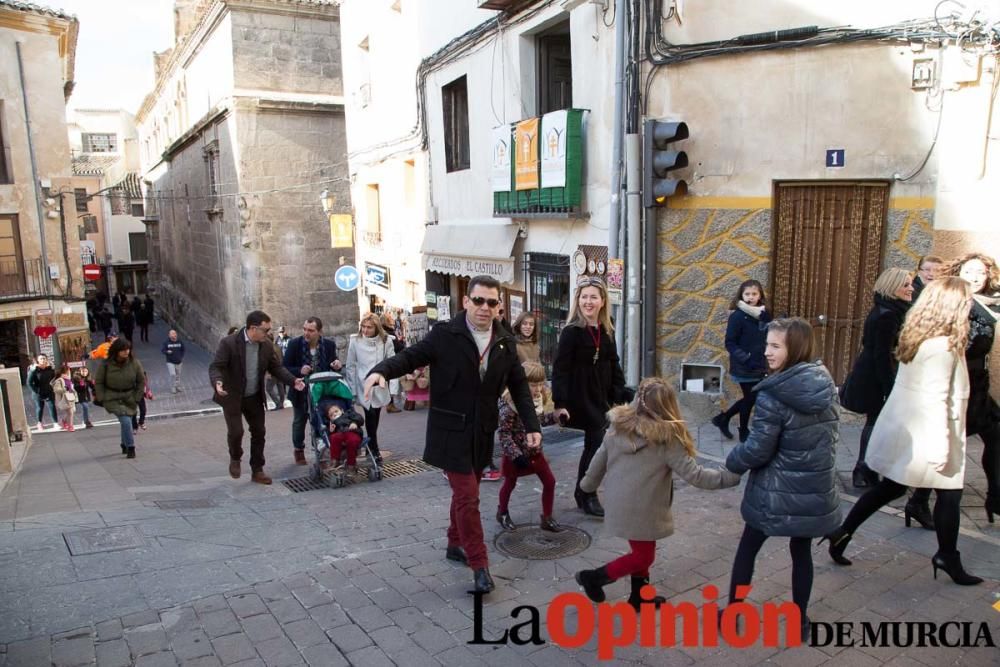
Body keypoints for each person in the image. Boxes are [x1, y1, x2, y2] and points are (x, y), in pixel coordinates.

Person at [363, 275, 540, 595]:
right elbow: (410, 357)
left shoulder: (504, 342)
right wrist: (381, 371)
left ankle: (453, 543)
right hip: (451, 430)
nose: (485, 307)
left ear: (499, 306)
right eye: (479, 301)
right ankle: (480, 565)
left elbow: (519, 387)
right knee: (469, 496)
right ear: (466, 302)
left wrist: (532, 427)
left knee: (463, 495)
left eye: (492, 302)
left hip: (482, 432)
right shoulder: (446, 334)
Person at [823, 278, 983, 586]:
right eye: (965, 303)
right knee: (947, 494)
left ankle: (842, 532)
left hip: (914, 433)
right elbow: (936, 401)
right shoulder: (942, 347)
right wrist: (941, 448)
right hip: (931, 436)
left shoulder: (922, 336)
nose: (969, 308)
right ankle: (947, 557)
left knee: (893, 488)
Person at [575, 377, 741, 609]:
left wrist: (587, 485)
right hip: (643, 507)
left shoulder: (617, 426)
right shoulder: (666, 439)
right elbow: (697, 475)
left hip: (620, 502)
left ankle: (639, 598)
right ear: (667, 406)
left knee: (643, 549)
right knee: (644, 556)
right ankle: (593, 578)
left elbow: (599, 459)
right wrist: (731, 476)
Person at [725, 318, 841, 637]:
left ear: (795, 349)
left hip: (774, 492)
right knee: (801, 552)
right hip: (813, 489)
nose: (767, 352)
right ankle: (800, 619)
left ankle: (732, 611)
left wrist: (731, 463)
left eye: (775, 346)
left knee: (748, 547)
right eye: (767, 345)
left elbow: (757, 450)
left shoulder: (772, 395)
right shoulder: (825, 385)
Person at [910, 253, 1000, 524]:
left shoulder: (989, 305)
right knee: (947, 447)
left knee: (996, 437)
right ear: (958, 272)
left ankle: (995, 496)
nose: (974, 277)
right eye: (969, 271)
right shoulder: (954, 303)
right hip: (957, 385)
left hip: (978, 386)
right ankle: (918, 501)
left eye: (980, 273)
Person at [552, 277, 629, 517]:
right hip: (581, 396)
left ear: (602, 301)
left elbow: (613, 361)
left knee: (595, 446)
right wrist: (559, 403)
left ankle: (582, 491)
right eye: (584, 297)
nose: (588, 301)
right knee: (597, 446)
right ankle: (587, 493)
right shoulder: (571, 332)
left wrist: (619, 390)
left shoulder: (608, 327)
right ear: (578, 300)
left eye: (593, 297)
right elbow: (560, 369)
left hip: (602, 394)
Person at [839, 268, 914, 490]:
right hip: (875, 377)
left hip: (875, 373)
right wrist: (889, 388)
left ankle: (868, 468)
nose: (911, 288)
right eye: (906, 284)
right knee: (875, 421)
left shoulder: (888, 309)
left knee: (877, 421)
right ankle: (863, 468)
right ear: (893, 287)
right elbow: (881, 355)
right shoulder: (888, 314)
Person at [212, 311, 304, 484]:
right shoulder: (229, 343)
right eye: (266, 329)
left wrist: (293, 381)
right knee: (236, 432)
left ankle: (257, 469)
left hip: (253, 395)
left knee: (259, 432)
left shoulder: (266, 345)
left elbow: (276, 368)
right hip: (232, 395)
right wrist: (218, 383)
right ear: (253, 329)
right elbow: (216, 367)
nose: (269, 333)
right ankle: (235, 457)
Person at [496, 361, 562, 532]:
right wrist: (515, 455)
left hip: (534, 451)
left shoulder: (536, 400)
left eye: (541, 384)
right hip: (516, 456)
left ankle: (547, 517)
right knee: (509, 484)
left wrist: (555, 418)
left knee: (550, 482)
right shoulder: (509, 406)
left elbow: (537, 422)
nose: (538, 389)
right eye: (533, 385)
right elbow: (504, 434)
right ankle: (502, 512)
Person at [711, 279, 772, 443]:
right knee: (751, 398)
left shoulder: (763, 314)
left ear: (760, 295)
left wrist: (771, 321)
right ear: (741, 295)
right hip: (745, 365)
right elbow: (730, 342)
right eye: (747, 294)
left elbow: (768, 335)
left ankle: (723, 419)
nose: (751, 297)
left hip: (760, 365)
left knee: (751, 398)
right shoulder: (737, 316)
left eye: (754, 294)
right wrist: (746, 358)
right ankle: (742, 429)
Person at [283, 317, 342, 465]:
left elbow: (333, 363)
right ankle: (298, 449)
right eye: (304, 329)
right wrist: (299, 370)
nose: (306, 333)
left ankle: (320, 450)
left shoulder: (328, 345)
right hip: (300, 390)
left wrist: (336, 365)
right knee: (299, 421)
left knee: (320, 420)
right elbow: (284, 367)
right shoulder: (294, 344)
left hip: (322, 390)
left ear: (319, 332)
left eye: (310, 330)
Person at [344, 312, 396, 464]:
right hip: (363, 383)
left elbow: (392, 363)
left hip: (379, 384)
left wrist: (393, 387)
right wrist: (352, 389)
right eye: (363, 327)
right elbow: (351, 365)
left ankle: (371, 445)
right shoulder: (356, 341)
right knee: (370, 415)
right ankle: (373, 447)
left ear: (376, 328)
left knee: (375, 415)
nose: (365, 330)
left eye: (369, 327)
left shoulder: (386, 341)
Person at [95, 338, 145, 458]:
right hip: (112, 397)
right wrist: (101, 397)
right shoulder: (106, 364)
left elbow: (141, 381)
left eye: (128, 349)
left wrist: (137, 398)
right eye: (123, 350)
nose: (126, 352)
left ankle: (124, 444)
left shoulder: (135, 363)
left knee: (126, 420)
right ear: (116, 351)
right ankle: (131, 447)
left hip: (129, 397)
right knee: (126, 420)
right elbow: (99, 382)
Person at [325, 403, 365, 473]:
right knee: (333, 437)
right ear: (329, 418)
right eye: (331, 415)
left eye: (336, 411)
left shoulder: (348, 414)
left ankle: (351, 465)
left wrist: (355, 422)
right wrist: (331, 431)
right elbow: (330, 437)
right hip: (340, 434)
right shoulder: (332, 423)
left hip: (353, 432)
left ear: (342, 411)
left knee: (352, 441)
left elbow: (360, 418)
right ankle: (335, 461)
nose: (334, 414)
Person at [380, 313, 406, 413]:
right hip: (390, 360)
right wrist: (403, 346)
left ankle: (389, 403)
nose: (392, 320)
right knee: (391, 383)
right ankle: (390, 404)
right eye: (390, 318)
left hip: (384, 360)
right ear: (386, 321)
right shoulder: (389, 332)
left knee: (388, 383)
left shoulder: (381, 331)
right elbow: (398, 347)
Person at [28, 354, 58, 430]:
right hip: (38, 392)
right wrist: (36, 391)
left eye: (44, 358)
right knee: (40, 408)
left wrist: (53, 387)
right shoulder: (34, 370)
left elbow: (54, 379)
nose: (43, 360)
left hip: (49, 391)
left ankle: (55, 423)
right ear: (38, 360)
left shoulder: (50, 369)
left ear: (46, 360)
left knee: (52, 406)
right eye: (41, 359)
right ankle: (39, 423)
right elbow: (29, 383)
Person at [52, 363, 78, 431]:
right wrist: (64, 389)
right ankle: (70, 426)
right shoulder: (59, 380)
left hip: (70, 397)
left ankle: (64, 421)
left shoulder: (69, 379)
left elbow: (71, 388)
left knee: (72, 411)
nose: (69, 372)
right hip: (64, 398)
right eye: (68, 371)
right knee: (70, 412)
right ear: (64, 372)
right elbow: (56, 390)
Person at [264, 331, 287, 411]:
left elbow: (269, 361)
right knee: (280, 385)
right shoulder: (277, 347)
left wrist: (269, 372)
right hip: (280, 369)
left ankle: (278, 403)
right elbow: (282, 357)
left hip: (274, 370)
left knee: (269, 388)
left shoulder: (269, 348)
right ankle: (281, 403)